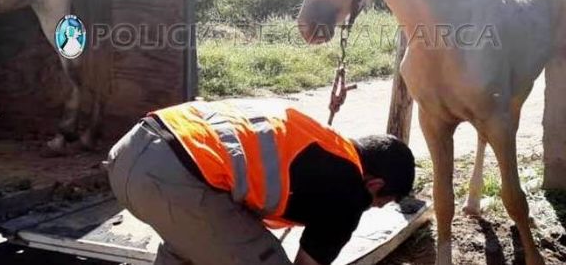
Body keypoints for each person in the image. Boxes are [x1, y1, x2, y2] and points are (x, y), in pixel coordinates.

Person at [106, 99, 415, 265]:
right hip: (176, 177)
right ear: (375, 185)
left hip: (130, 154)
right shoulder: (349, 190)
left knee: (193, 250)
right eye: (379, 203)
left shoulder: (321, 142)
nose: (370, 208)